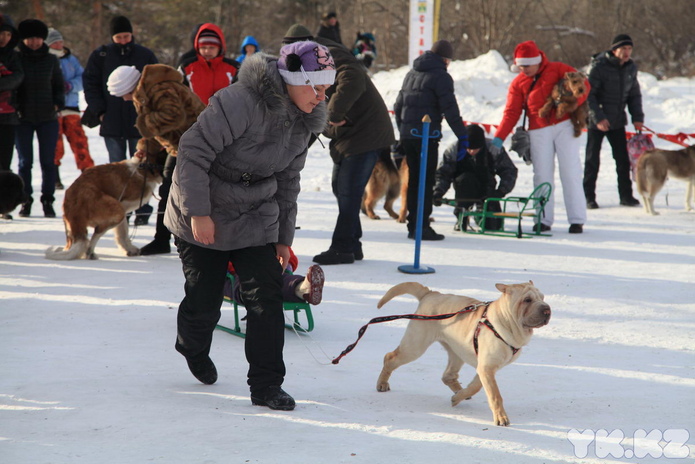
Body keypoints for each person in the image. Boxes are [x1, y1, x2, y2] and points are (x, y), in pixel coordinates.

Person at [164, 41, 335, 410]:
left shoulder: (305, 122)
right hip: (204, 200)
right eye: (316, 87)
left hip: (255, 211)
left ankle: (267, 385)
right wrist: (199, 213)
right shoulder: (240, 101)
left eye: (327, 88)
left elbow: (289, 182)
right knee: (205, 299)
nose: (322, 97)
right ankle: (192, 345)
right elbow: (192, 152)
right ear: (292, 78)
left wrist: (282, 239)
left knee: (266, 300)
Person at [282, 24, 394, 264]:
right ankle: (353, 243)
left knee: (349, 191)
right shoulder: (306, 65)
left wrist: (333, 114)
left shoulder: (328, 52)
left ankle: (343, 247)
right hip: (349, 133)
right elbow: (312, 115)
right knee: (340, 187)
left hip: (366, 130)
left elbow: (352, 77)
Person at [106, 63, 205, 256]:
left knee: (172, 190)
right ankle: (164, 238)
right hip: (180, 144)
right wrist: (145, 149)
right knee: (170, 191)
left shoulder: (159, 88)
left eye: (123, 95)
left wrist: (144, 124)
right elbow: (158, 127)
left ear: (128, 87)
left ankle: (171, 239)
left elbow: (173, 117)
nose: (124, 99)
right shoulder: (145, 91)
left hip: (196, 142)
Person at [492, 40, 589, 234]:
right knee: (542, 174)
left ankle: (577, 219)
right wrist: (499, 138)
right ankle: (543, 219)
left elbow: (584, 86)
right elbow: (511, 113)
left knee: (570, 170)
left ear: (537, 61)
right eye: (521, 67)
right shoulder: (518, 83)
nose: (524, 70)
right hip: (538, 129)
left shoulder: (558, 69)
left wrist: (572, 102)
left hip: (564, 125)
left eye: (527, 66)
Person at [82, 15, 157, 224]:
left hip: (139, 122)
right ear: (112, 37)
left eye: (126, 36)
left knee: (142, 166)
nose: (123, 40)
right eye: (119, 37)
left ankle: (143, 208)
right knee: (116, 169)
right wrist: (99, 111)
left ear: (132, 34)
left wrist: (148, 112)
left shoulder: (145, 54)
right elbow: (90, 84)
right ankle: (118, 207)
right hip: (111, 120)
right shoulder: (100, 55)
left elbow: (154, 83)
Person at [393, 39, 469, 240]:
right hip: (426, 137)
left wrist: (403, 132)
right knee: (425, 183)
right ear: (445, 60)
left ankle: (413, 225)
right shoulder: (441, 77)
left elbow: (398, 105)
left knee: (414, 181)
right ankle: (421, 227)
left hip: (409, 136)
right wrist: (463, 135)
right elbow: (450, 110)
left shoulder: (411, 73)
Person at [583, 34, 644, 209]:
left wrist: (637, 118)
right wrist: (598, 118)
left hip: (617, 120)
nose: (626, 52)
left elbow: (634, 95)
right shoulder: (599, 67)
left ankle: (626, 196)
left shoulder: (631, 68)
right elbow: (589, 95)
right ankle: (588, 197)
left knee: (622, 160)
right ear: (614, 50)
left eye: (629, 49)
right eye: (623, 49)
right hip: (598, 121)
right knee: (592, 160)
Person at [14, 19, 64, 218]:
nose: (34, 42)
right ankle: (25, 200)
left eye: (37, 38)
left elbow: (59, 86)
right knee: (25, 162)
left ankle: (48, 200)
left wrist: (57, 103)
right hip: (22, 118)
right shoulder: (16, 58)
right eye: (30, 38)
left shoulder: (51, 59)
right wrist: (16, 107)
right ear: (23, 39)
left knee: (48, 162)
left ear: (43, 39)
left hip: (47, 117)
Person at [433, 124, 518, 231]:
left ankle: (483, 213)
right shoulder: (454, 150)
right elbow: (443, 174)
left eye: (475, 149)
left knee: (493, 227)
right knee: (466, 179)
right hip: (463, 187)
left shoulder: (493, 149)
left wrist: (501, 191)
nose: (472, 152)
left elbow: (509, 171)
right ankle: (462, 215)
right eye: (469, 149)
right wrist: (438, 191)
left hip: (487, 187)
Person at [46, 28, 95, 189]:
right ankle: (55, 177)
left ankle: (88, 174)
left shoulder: (71, 59)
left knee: (80, 141)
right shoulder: (45, 58)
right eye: (55, 42)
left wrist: (70, 86)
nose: (59, 44)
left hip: (72, 108)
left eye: (60, 41)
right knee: (55, 145)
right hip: (54, 110)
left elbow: (82, 78)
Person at [225, 249, 325, 306]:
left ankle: (302, 287)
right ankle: (301, 289)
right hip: (233, 274)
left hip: (268, 265)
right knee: (247, 287)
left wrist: (286, 264)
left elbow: (286, 252)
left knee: (275, 278)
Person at [179, 23, 239, 106]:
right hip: (196, 116)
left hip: (226, 116)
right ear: (197, 47)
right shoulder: (186, 67)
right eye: (203, 48)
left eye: (212, 48)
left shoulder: (234, 68)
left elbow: (243, 96)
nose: (207, 51)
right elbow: (177, 93)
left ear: (219, 47)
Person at [0, 16, 22, 175]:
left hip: (8, 116)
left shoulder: (14, 56)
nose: (4, 38)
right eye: (1, 33)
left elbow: (18, 78)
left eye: (8, 34)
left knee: (5, 163)